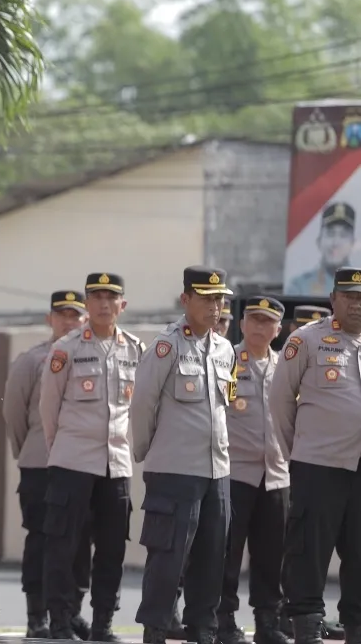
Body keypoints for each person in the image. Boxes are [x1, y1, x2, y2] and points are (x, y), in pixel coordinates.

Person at [131, 266, 237, 644]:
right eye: (208, 299)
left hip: (217, 472)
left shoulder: (225, 348)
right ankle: (157, 627)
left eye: (220, 299)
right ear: (186, 300)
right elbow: (141, 404)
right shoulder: (167, 346)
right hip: (174, 470)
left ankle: (203, 628)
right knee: (168, 555)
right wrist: (144, 451)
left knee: (212, 557)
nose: (216, 306)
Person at [38, 273, 145, 642]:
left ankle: (102, 624)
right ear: (87, 302)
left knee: (112, 549)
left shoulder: (135, 349)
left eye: (110, 297)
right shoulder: (66, 349)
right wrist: (62, 449)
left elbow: (140, 409)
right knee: (63, 546)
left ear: (122, 305)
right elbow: (48, 409)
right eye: (96, 296)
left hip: (116, 465)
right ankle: (61, 621)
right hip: (72, 462)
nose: (103, 303)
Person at [269, 266, 361, 644]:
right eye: (350, 297)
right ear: (333, 300)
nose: (357, 305)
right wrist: (302, 451)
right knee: (308, 550)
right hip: (318, 465)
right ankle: (307, 627)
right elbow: (279, 404)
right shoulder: (306, 340)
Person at [2, 290, 94, 639]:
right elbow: (14, 413)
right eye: (63, 315)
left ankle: (70, 612)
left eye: (76, 315)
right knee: (42, 540)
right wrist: (29, 451)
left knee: (80, 539)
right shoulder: (33, 360)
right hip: (41, 464)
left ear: (85, 320)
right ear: (50, 319)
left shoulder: (92, 358)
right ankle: (37, 616)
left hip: (81, 465)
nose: (69, 322)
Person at [216, 296, 290, 644]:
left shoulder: (287, 366)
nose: (260, 327)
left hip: (276, 476)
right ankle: (225, 620)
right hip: (236, 473)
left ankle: (267, 622)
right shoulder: (227, 360)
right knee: (227, 553)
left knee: (271, 555)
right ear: (242, 324)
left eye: (268, 321)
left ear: (279, 329)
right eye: (254, 320)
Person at [285, 202, 356, 295]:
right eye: (330, 234)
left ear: (353, 244)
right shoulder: (300, 286)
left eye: (343, 235)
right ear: (319, 241)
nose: (335, 242)